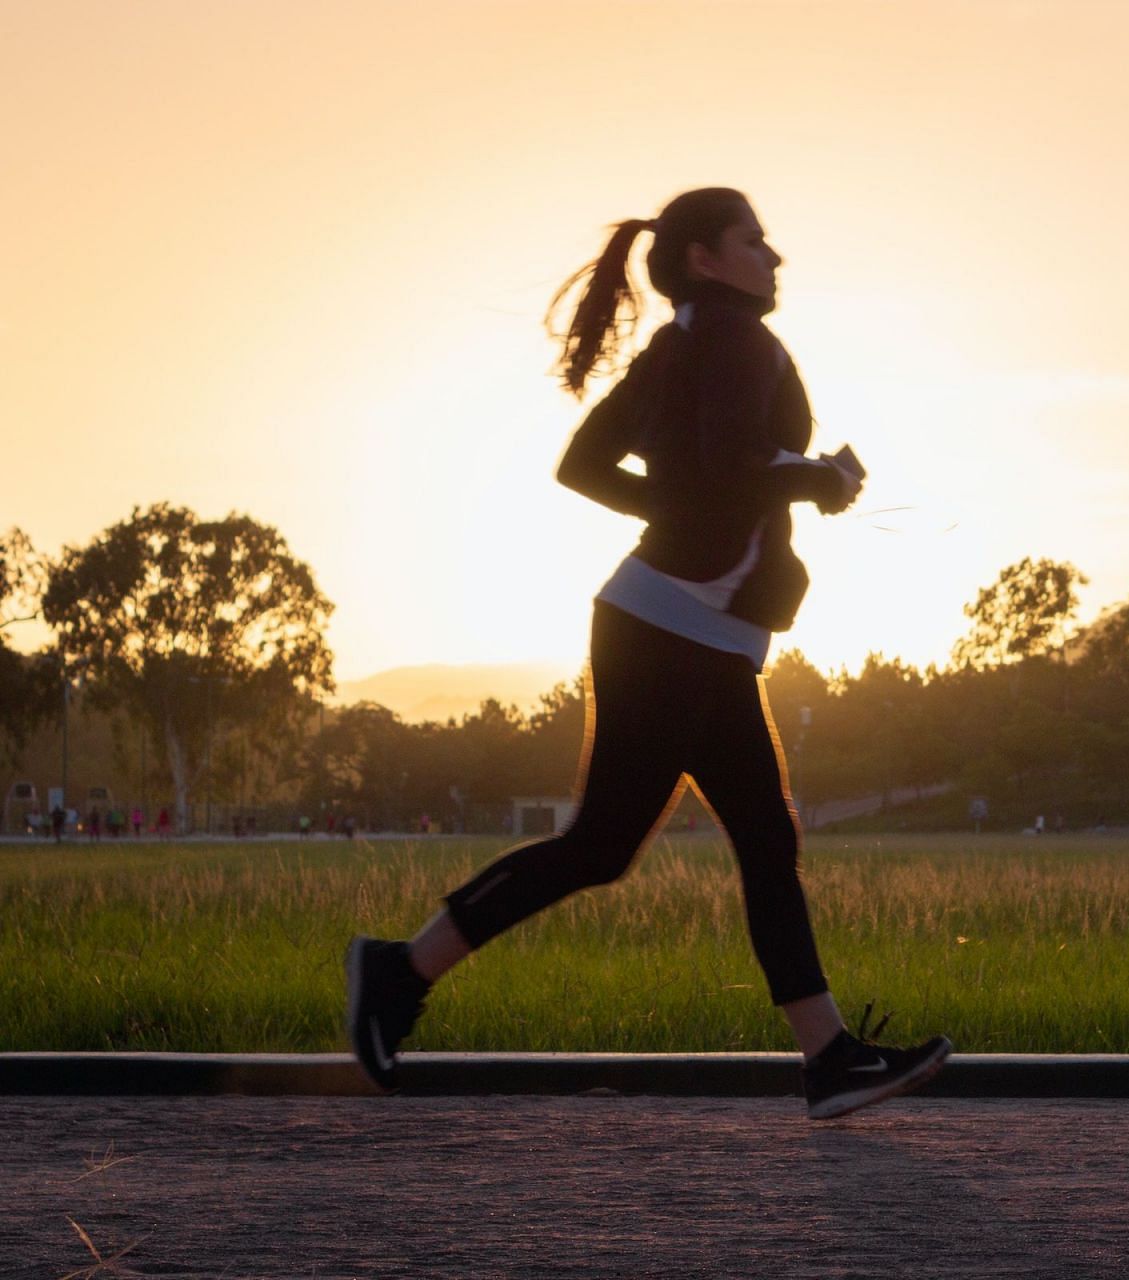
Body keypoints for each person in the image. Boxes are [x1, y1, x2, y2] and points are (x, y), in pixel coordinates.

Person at [345, 188, 950, 1120]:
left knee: (665, 843)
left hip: (673, 624)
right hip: (673, 630)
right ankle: (398, 971)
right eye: (756, 240)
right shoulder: (736, 344)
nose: (775, 256)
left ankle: (827, 1056)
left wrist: (683, 514)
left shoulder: (679, 346)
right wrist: (821, 479)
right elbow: (725, 466)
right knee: (703, 840)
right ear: (707, 257)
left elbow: (585, 465)